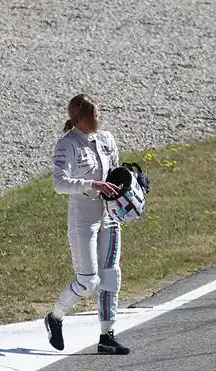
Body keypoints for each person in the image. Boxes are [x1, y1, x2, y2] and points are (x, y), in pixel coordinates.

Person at [46, 93, 130, 355]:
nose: (99, 118)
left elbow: (115, 170)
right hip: (83, 219)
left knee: (111, 276)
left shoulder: (106, 139)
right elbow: (59, 183)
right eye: (95, 114)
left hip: (109, 216)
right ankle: (55, 316)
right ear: (82, 118)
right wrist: (92, 185)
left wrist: (130, 183)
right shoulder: (67, 145)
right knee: (89, 282)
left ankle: (107, 335)